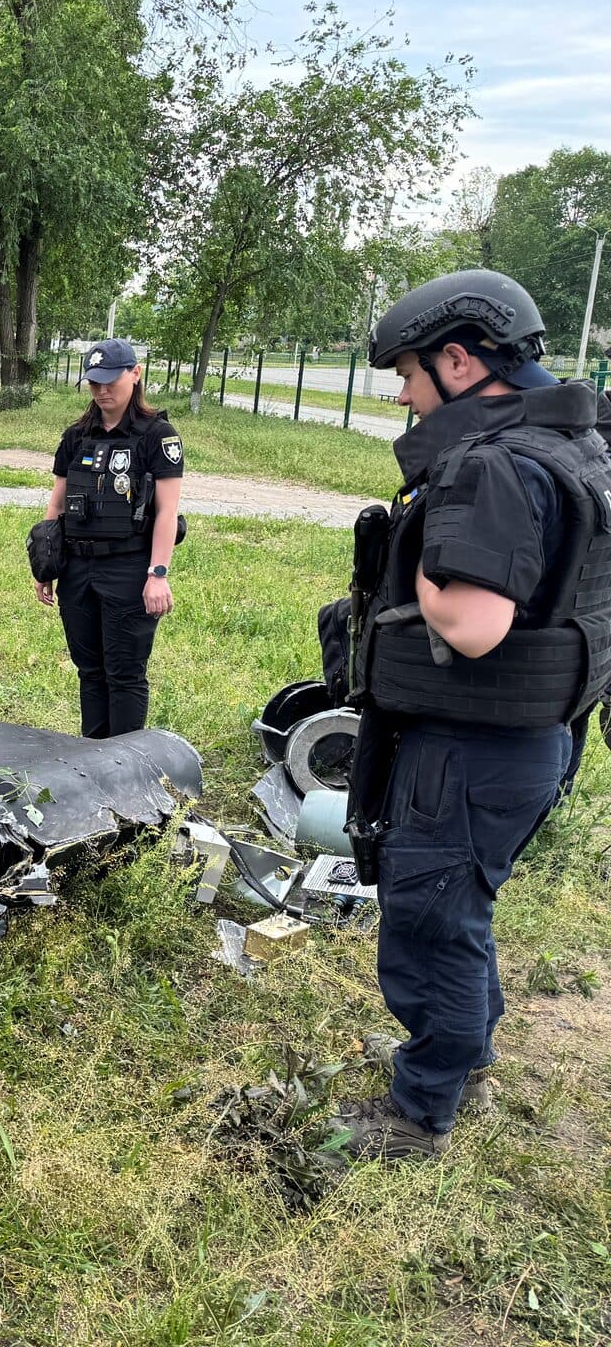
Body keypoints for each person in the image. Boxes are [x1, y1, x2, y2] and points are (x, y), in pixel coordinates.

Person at [322, 270, 611, 1159]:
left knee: (431, 925)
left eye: (409, 375)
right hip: (532, 741)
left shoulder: (491, 464)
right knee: (462, 906)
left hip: (471, 749)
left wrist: (411, 567)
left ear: (459, 360)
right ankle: (465, 1053)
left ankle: (420, 1111)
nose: (403, 397)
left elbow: (472, 625)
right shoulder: (577, 440)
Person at [35, 339, 182, 737]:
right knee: (90, 670)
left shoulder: (157, 436)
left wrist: (158, 573)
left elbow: (167, 512)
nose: (101, 390)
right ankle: (94, 755)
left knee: (125, 673)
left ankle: (126, 762)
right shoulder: (76, 436)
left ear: (135, 374)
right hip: (78, 568)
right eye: (94, 382)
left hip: (128, 567)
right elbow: (57, 505)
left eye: (110, 381)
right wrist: (45, 565)